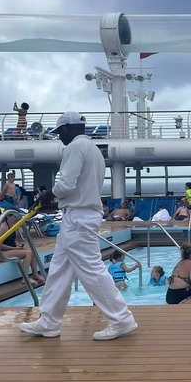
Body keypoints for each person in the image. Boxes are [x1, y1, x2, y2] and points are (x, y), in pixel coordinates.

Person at [18, 111, 138, 340]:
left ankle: (122, 319)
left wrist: (47, 196)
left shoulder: (74, 148)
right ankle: (49, 321)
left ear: (67, 129)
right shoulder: (93, 150)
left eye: (59, 132)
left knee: (92, 270)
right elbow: (76, 185)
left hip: (79, 218)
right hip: (78, 216)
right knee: (59, 269)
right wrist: (55, 199)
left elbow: (65, 184)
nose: (59, 137)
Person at [0, 212, 45, 286]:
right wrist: (15, 248)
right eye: (15, 217)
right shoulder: (3, 227)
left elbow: (11, 240)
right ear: (8, 217)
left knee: (32, 250)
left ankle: (35, 274)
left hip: (8, 250)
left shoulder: (13, 226)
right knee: (28, 253)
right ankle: (25, 278)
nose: (17, 218)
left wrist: (18, 245)